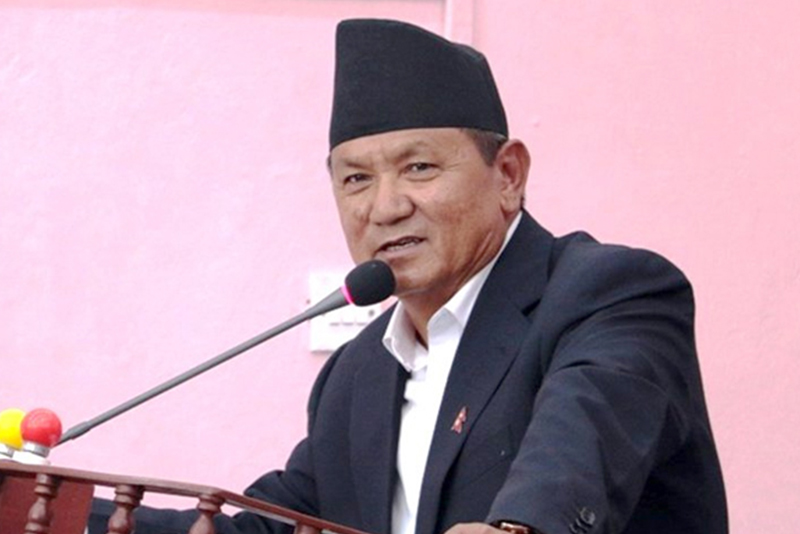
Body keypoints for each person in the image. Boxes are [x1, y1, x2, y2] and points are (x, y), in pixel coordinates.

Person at [89, 18, 727, 534]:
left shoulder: (610, 294)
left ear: (508, 175)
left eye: (419, 168)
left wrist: (518, 528)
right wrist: (62, 510)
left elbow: (581, 442)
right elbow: (272, 526)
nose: (385, 207)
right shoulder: (356, 375)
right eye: (356, 179)